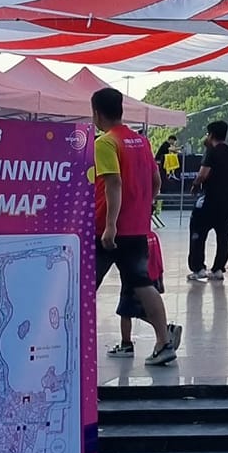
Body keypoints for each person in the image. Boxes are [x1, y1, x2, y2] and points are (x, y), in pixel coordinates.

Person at [90, 86, 179, 368]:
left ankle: (72, 342)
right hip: (138, 228)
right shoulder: (141, 142)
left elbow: (113, 183)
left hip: (108, 230)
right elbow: (156, 181)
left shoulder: (105, 143)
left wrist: (111, 225)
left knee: (84, 285)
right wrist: (142, 206)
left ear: (96, 113)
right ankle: (163, 342)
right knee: (143, 283)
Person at [187, 118, 228, 280]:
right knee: (224, 236)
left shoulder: (211, 152)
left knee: (197, 233)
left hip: (209, 201)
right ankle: (218, 269)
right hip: (227, 201)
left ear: (211, 135)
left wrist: (195, 185)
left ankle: (198, 268)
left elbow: (203, 174)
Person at [107, 227, 167, 358]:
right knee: (142, 311)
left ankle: (126, 344)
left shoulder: (131, 236)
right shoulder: (152, 236)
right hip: (151, 279)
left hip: (134, 280)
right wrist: (160, 278)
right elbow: (158, 260)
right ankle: (165, 329)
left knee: (125, 312)